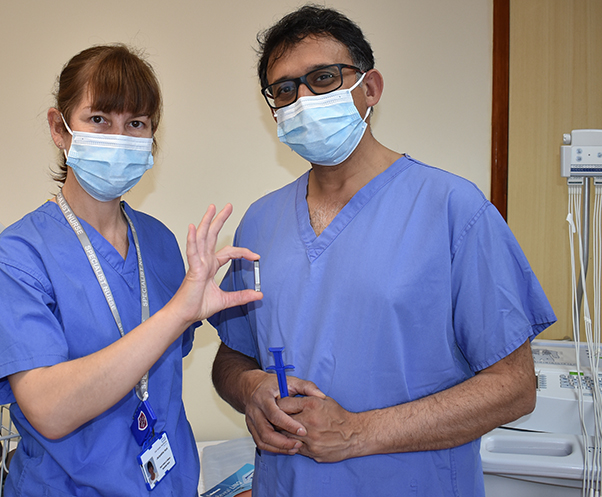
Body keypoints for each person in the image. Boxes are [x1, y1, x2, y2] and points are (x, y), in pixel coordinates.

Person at [209, 5, 556, 496]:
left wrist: (356, 433)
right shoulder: (260, 222)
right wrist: (251, 390)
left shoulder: (453, 210)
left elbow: (515, 388)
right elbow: (231, 357)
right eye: (285, 89)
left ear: (369, 89)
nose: (302, 100)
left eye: (323, 78)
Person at [0, 44, 261, 496]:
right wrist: (177, 313)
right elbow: (49, 409)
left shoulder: (160, 243)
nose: (119, 138)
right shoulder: (19, 259)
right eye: (100, 119)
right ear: (59, 129)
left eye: (136, 124)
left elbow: (157, 381)